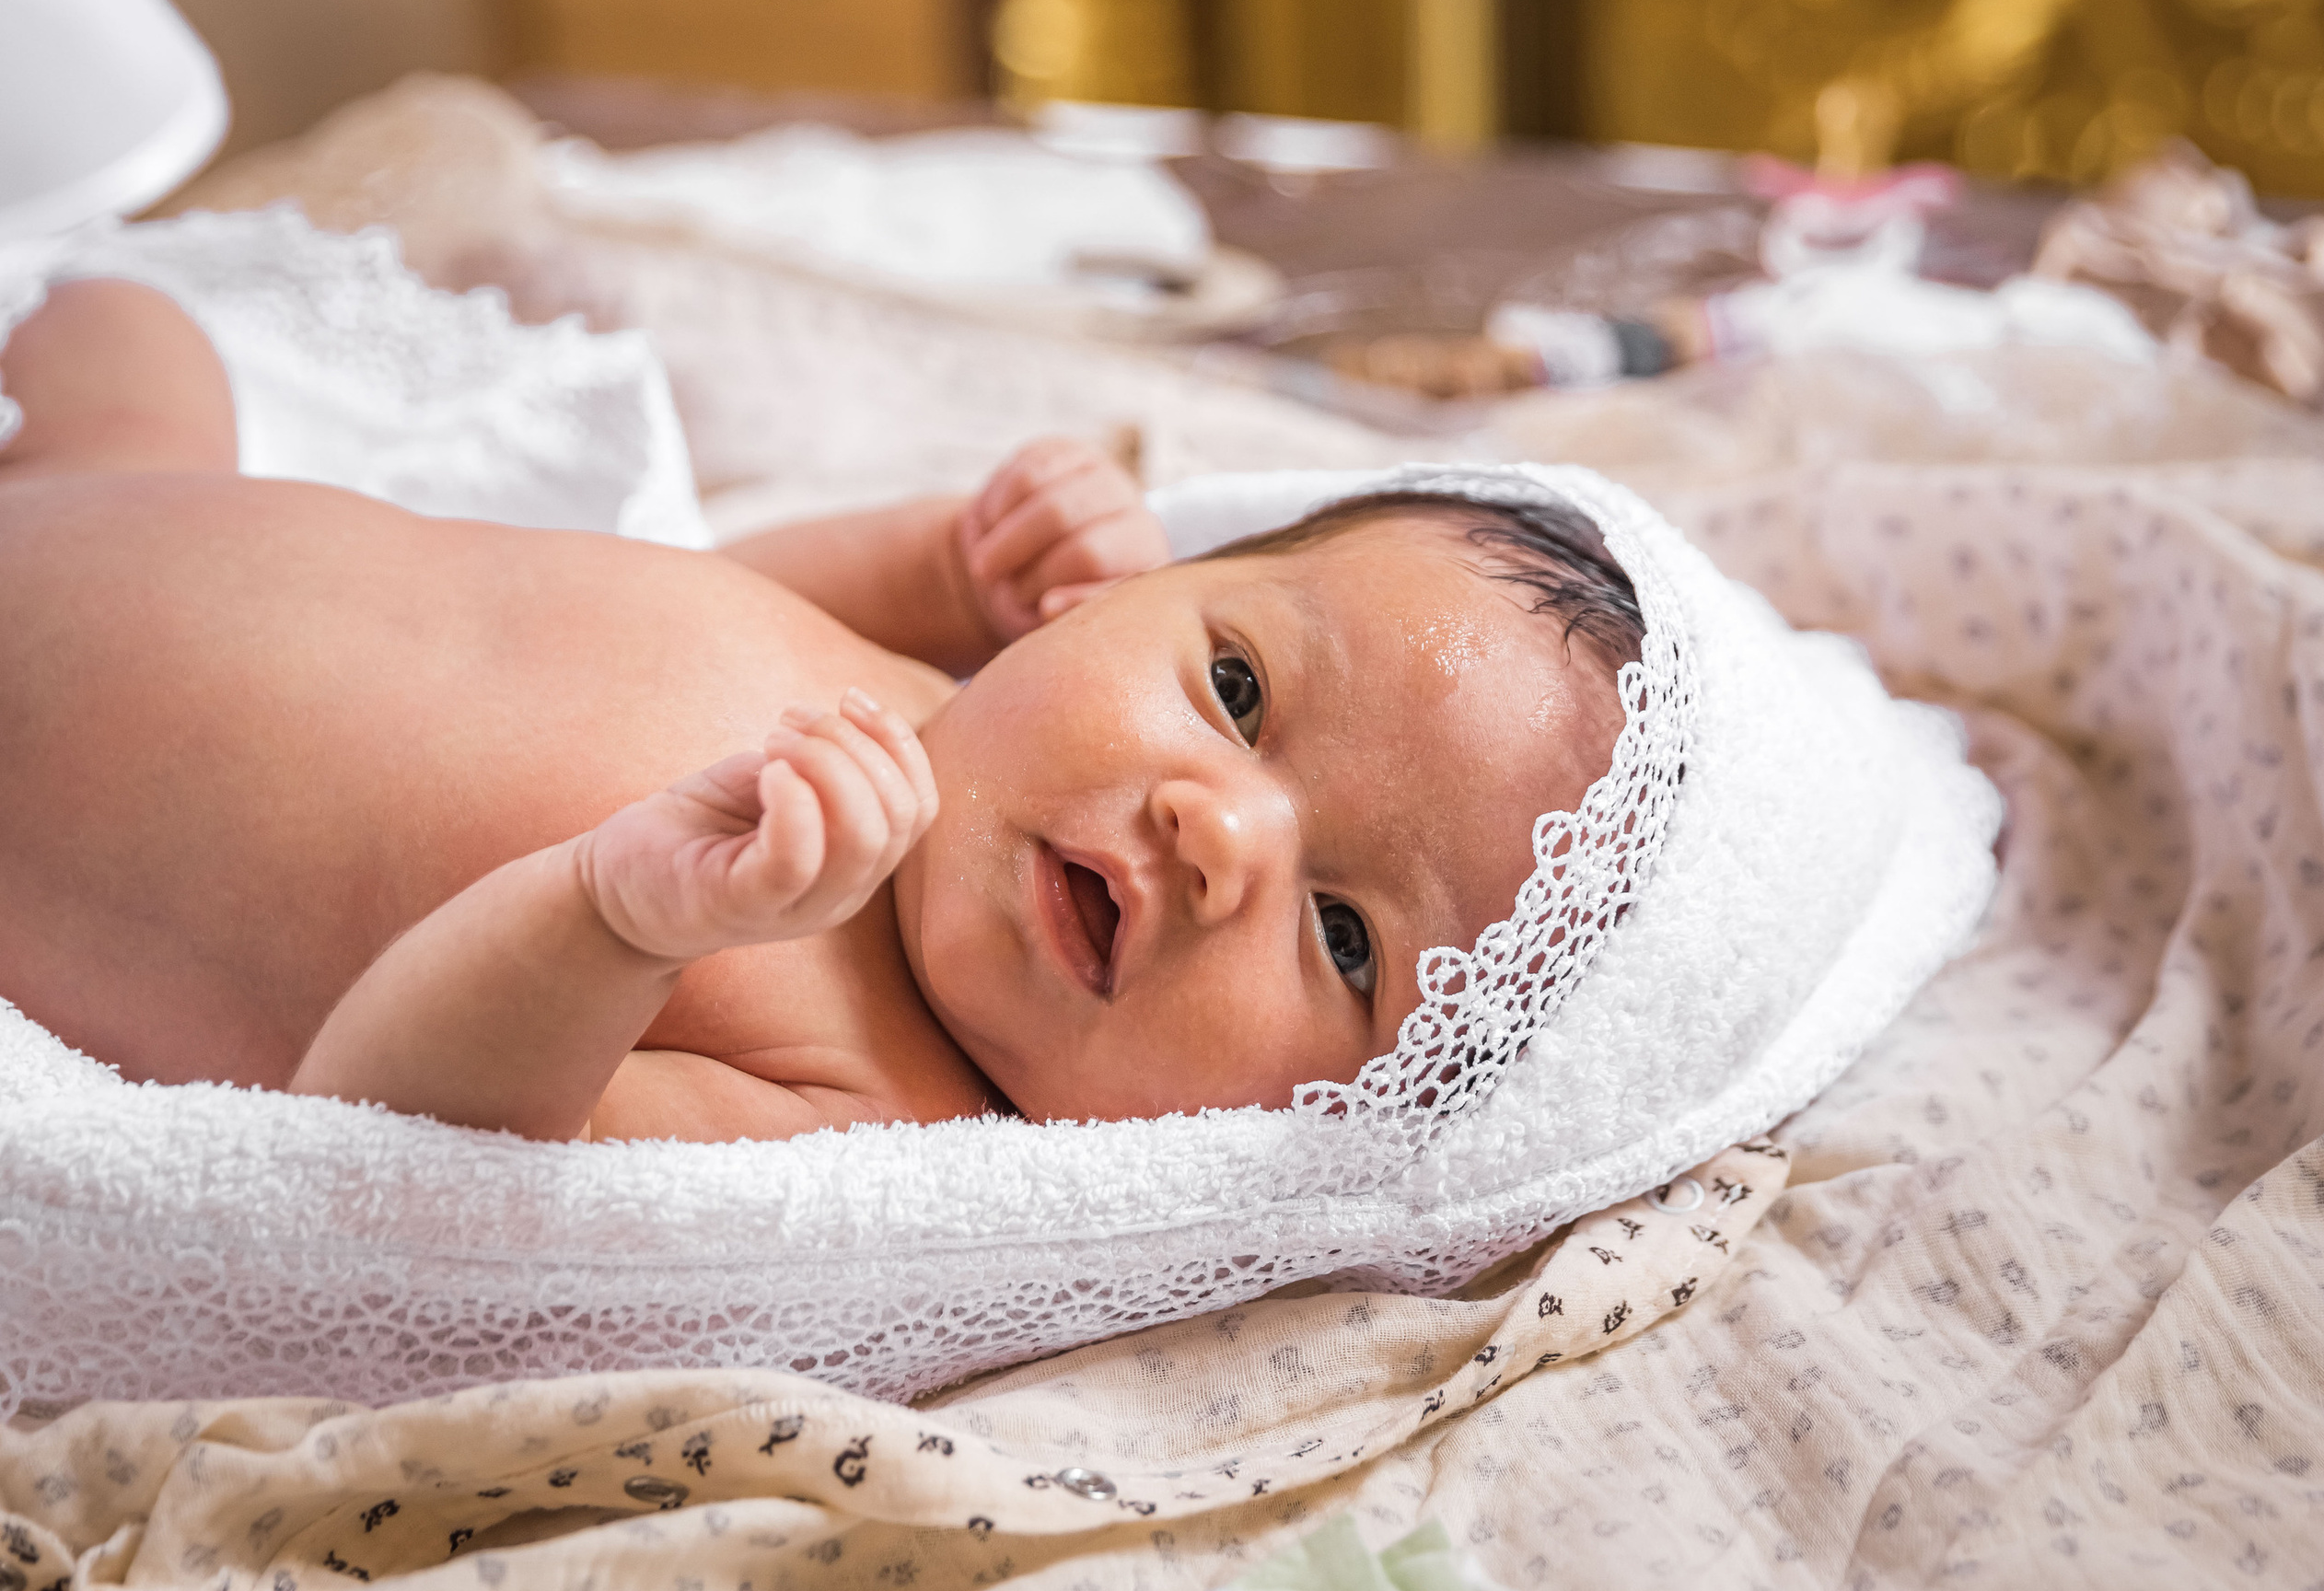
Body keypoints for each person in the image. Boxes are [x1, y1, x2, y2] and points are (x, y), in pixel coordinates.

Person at [0, 277, 1634, 1144]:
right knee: (127, 319)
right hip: (164, 517)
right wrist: (956, 560)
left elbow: (377, 1147)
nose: (1218, 831)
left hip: (38, 794)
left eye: (1347, 942)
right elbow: (694, 587)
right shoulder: (948, 717)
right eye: (1237, 687)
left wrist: (608, 919)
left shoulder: (869, 1100)